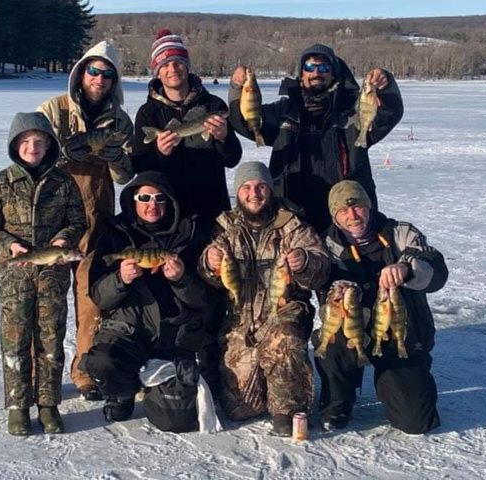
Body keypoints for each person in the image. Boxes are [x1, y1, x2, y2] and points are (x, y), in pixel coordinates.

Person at [198, 161, 330, 437]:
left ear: (270, 189)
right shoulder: (225, 227)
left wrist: (305, 262)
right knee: (239, 409)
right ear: (238, 192)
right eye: (246, 187)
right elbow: (208, 277)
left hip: (283, 312)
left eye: (260, 186)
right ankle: (259, 383)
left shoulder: (293, 225)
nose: (254, 193)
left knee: (284, 338)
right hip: (240, 319)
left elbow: (322, 270)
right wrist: (209, 263)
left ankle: (289, 408)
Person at [0, 112, 86, 435]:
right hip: (14, 276)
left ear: (49, 145)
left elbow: (78, 221)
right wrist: (9, 244)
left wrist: (66, 239)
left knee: (51, 339)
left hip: (52, 275)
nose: (32, 147)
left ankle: (49, 404)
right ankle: (18, 405)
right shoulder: (0, 182)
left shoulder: (63, 182)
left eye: (39, 141)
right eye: (25, 142)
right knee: (16, 339)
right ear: (15, 145)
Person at [38, 41, 134, 401]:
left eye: (108, 74)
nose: (100, 79)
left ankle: (84, 371)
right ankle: (41, 374)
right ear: (81, 73)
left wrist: (117, 160)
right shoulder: (54, 109)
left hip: (97, 221)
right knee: (48, 300)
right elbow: (29, 155)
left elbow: (124, 175)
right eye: (94, 71)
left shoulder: (120, 120)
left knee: (91, 301)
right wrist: (62, 154)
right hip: (53, 223)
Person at [312, 180, 448, 434]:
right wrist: (336, 292)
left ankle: (392, 381)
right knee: (331, 337)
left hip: (399, 333)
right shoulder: (325, 244)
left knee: (415, 421)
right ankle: (339, 400)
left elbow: (436, 268)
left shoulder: (400, 232)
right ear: (334, 215)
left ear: (369, 206)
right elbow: (322, 294)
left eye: (358, 207)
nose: (352, 215)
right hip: (356, 328)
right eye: (343, 210)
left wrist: (407, 269)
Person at [81, 171, 211, 431]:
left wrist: (182, 279)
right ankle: (123, 392)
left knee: (175, 420)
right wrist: (120, 279)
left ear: (169, 202)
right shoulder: (114, 234)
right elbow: (98, 296)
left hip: (173, 333)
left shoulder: (190, 233)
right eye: (144, 197)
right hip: (128, 329)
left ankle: (159, 390)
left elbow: (204, 298)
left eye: (160, 198)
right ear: (133, 200)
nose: (152, 204)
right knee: (102, 361)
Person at [228, 44, 403, 234]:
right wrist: (237, 88)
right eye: (310, 67)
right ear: (301, 73)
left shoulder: (353, 112)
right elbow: (246, 122)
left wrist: (386, 87)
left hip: (346, 214)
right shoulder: (284, 111)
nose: (316, 72)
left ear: (334, 73)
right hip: (291, 214)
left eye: (324, 68)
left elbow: (389, 115)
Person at [132, 29, 242, 221]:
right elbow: (140, 166)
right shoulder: (148, 113)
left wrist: (223, 138)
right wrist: (160, 152)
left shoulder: (213, 105)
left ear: (187, 66)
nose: (173, 69)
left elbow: (232, 159)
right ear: (158, 72)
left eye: (178, 63)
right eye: (165, 64)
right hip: (168, 212)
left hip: (212, 208)